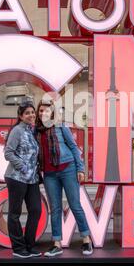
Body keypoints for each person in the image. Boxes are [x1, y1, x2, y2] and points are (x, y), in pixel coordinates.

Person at [35, 99, 93, 257]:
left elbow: (74, 147)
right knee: (55, 208)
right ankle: (56, 243)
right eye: (40, 111)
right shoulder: (36, 131)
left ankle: (86, 239)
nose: (43, 113)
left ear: (52, 112)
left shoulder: (60, 126)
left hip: (68, 168)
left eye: (46, 110)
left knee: (75, 205)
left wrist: (80, 168)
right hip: (49, 174)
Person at [4, 101, 42, 258]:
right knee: (14, 213)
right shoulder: (17, 131)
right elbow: (8, 153)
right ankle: (18, 248)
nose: (31, 115)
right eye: (27, 113)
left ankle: (29, 245)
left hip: (32, 180)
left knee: (36, 210)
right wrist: (23, 167)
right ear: (20, 116)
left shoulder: (32, 131)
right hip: (16, 178)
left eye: (32, 112)